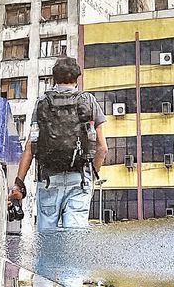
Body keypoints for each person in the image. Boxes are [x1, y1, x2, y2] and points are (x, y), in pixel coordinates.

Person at [8, 57, 106, 233]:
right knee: (74, 242)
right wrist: (90, 178)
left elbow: (30, 148)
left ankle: (47, 261)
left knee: (47, 241)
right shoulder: (88, 101)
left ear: (54, 78)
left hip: (48, 179)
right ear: (77, 78)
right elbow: (102, 148)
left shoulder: (42, 102)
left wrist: (18, 184)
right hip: (79, 178)